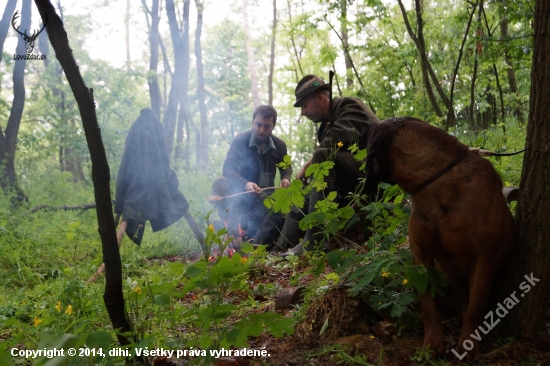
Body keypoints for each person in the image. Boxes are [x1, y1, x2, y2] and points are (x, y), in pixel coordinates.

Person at [277, 74, 381, 257]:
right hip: (354, 183)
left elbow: (332, 146)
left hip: (378, 178)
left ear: (321, 98)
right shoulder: (325, 126)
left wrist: (304, 169)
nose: (303, 112)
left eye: (304, 105)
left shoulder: (350, 106)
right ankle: (280, 247)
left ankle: (315, 240)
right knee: (306, 190)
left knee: (322, 158)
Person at [211, 105, 292, 248]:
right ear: (253, 122)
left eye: (267, 126)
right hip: (240, 198)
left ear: (273, 126)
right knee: (220, 183)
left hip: (264, 203)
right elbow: (228, 169)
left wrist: (286, 178)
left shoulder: (279, 146)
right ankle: (234, 233)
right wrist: (245, 184)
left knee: (283, 203)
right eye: (258, 125)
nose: (261, 130)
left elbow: (286, 168)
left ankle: (257, 243)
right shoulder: (240, 140)